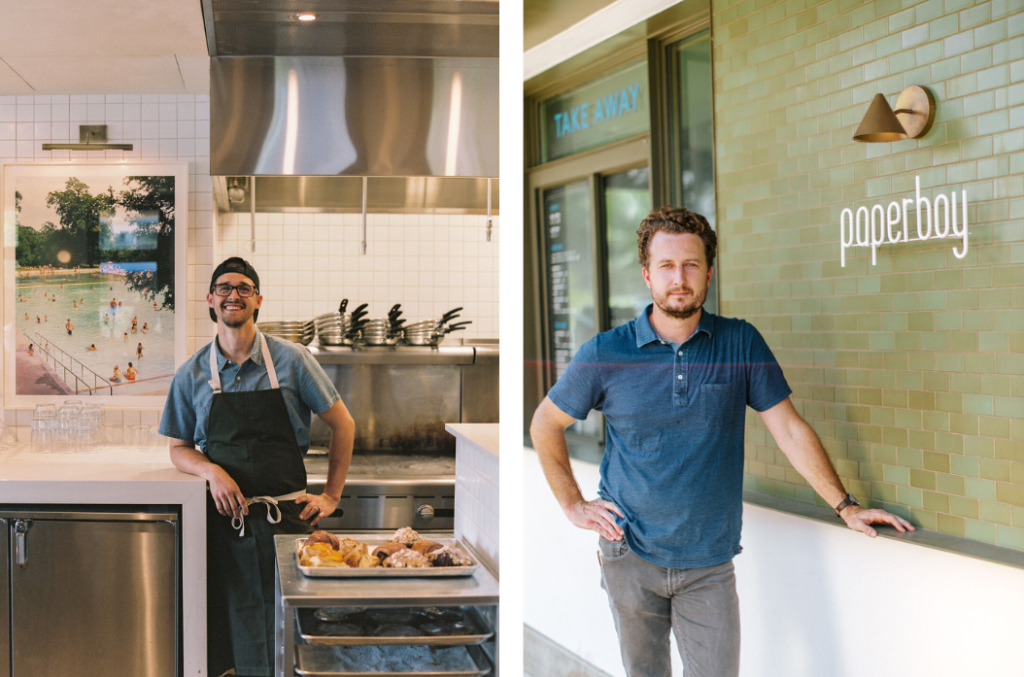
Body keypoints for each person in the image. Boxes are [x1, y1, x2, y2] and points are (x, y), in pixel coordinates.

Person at [530, 206, 914, 677]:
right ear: (647, 275)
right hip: (628, 554)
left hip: (708, 562)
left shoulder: (740, 343)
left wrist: (845, 505)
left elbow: (789, 428)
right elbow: (544, 424)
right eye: (667, 266)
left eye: (691, 265)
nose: (679, 278)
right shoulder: (606, 352)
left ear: (709, 273)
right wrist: (572, 503)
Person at [159, 257, 355, 677]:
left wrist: (331, 496)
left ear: (258, 299)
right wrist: (211, 472)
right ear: (210, 299)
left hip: (287, 522)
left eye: (244, 288)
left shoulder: (292, 360)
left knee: (292, 632)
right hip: (224, 528)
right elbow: (179, 448)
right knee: (232, 632)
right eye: (224, 288)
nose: (234, 295)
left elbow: (344, 425)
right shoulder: (191, 373)